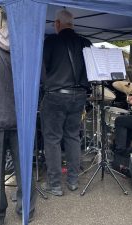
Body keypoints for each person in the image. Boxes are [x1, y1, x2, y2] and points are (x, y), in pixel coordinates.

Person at [0, 11, 37, 225]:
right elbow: (40, 81)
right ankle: (26, 210)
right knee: (24, 166)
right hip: (22, 118)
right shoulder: (29, 50)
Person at [40, 9, 92, 196]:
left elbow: (42, 68)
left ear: (57, 23)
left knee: (52, 139)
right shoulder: (85, 43)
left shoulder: (51, 41)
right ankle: (72, 181)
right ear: (72, 23)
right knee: (73, 137)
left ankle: (54, 184)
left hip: (55, 95)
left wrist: (47, 84)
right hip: (79, 96)